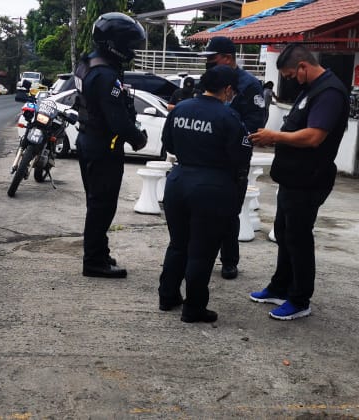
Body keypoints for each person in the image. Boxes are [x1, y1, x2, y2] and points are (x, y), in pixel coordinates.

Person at [247, 44, 350, 320]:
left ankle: (299, 298)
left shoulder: (329, 92)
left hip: (309, 179)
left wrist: (275, 137)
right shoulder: (311, 89)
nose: (291, 80)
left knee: (298, 238)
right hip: (293, 177)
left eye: (292, 75)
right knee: (283, 232)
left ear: (303, 66)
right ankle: (280, 286)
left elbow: (315, 136)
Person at [157, 65, 252, 323]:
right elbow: (241, 157)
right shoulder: (229, 117)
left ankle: (167, 296)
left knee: (178, 244)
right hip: (211, 186)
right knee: (201, 251)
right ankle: (194, 307)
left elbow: (169, 144)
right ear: (228, 89)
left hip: (178, 181)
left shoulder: (180, 110)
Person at [71, 12, 148, 278]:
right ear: (114, 43)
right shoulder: (105, 75)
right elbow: (118, 122)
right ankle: (94, 262)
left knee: (96, 204)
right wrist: (139, 139)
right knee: (102, 206)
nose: (132, 51)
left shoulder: (87, 62)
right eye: (129, 45)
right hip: (103, 146)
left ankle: (99, 253)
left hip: (87, 140)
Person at [198, 36, 265, 280]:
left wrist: (229, 136)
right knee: (203, 211)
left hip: (232, 160)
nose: (209, 64)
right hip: (207, 158)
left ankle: (229, 261)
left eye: (212, 59)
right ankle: (201, 256)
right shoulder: (210, 81)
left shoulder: (248, 85)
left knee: (228, 213)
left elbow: (255, 125)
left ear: (227, 58)